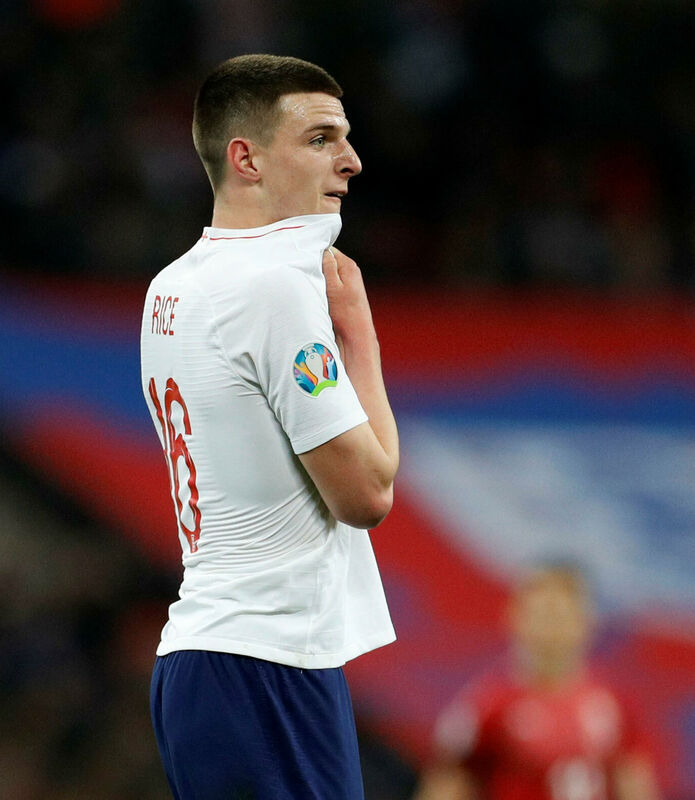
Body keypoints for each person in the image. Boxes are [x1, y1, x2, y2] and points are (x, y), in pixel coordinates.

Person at [139, 54, 400, 799]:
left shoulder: (170, 286)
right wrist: (360, 339)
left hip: (206, 660)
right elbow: (368, 493)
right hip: (267, 664)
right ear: (246, 159)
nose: (351, 161)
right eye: (320, 139)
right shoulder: (273, 289)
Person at [418, 564, 661, 800]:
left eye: (562, 616)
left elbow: (634, 784)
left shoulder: (614, 704)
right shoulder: (487, 705)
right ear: (515, 618)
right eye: (543, 615)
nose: (552, 629)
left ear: (586, 622)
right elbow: (447, 786)